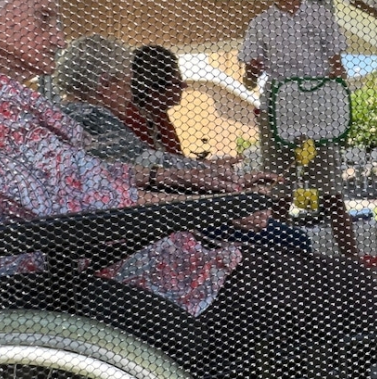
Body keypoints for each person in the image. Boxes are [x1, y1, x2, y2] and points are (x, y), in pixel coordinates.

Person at [0, 0, 377, 379]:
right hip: (71, 280)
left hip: (83, 265)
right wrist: (219, 206)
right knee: (347, 286)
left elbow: (75, 180)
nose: (58, 37)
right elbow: (88, 205)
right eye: (44, 18)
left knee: (297, 275)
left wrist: (199, 183)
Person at [55, 33, 311, 252]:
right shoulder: (92, 117)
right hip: (149, 227)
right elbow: (145, 166)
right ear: (106, 85)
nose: (130, 91)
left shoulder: (66, 117)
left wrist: (208, 176)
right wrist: (212, 182)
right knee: (291, 240)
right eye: (127, 81)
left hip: (151, 219)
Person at [239, 0, 359, 259]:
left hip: (318, 116)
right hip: (280, 114)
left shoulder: (320, 17)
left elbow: (338, 67)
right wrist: (252, 72)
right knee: (279, 194)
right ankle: (276, 262)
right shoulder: (259, 24)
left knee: (331, 193)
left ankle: (353, 263)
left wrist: (327, 91)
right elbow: (249, 81)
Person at [124, 44, 186, 155]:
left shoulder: (158, 114)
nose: (184, 86)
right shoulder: (130, 120)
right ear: (153, 90)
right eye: (177, 83)